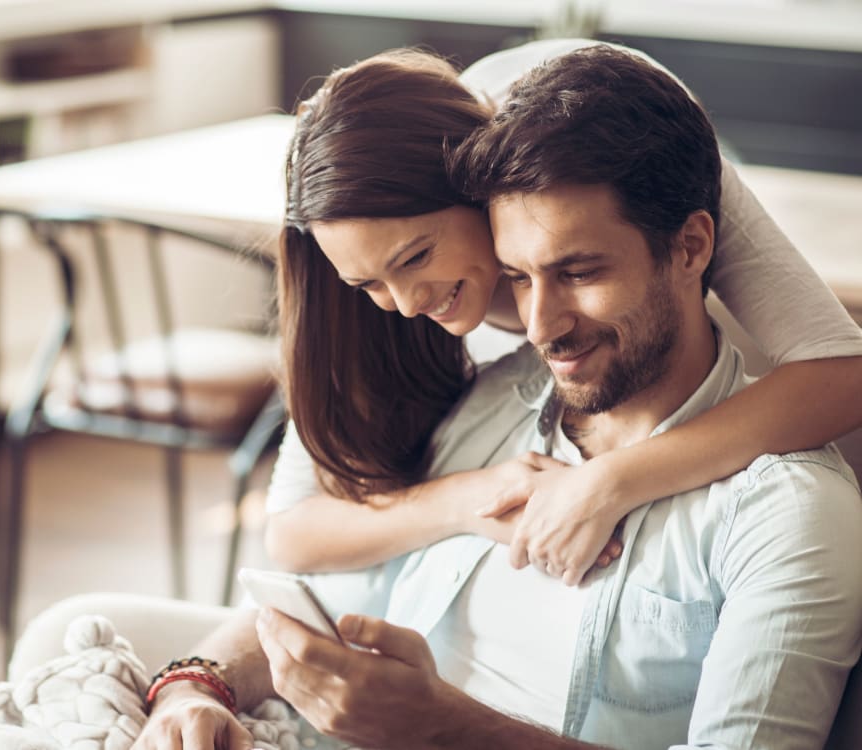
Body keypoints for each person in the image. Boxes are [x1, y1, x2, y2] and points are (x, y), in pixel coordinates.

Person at [131, 44, 862, 750]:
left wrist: (440, 728)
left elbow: (843, 372)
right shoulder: (496, 399)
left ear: (693, 247)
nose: (539, 328)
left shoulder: (781, 512)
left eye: (578, 270)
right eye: (517, 277)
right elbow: (306, 570)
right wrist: (194, 686)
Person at [264, 39, 862, 585]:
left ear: (479, 186)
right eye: (367, 282)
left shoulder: (601, 133)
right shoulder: (367, 251)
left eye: (419, 256)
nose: (407, 304)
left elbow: (843, 372)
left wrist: (612, 480)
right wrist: (467, 498)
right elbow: (291, 532)